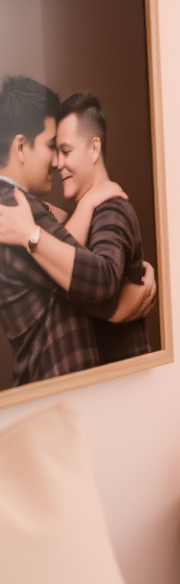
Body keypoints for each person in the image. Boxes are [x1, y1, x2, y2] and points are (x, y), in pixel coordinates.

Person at [0, 76, 154, 386]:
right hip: (56, 391)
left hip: (67, 393)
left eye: (64, 151)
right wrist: (122, 308)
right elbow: (97, 283)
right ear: (20, 147)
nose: (56, 162)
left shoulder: (102, 209)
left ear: (93, 149)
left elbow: (63, 271)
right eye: (51, 147)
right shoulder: (14, 208)